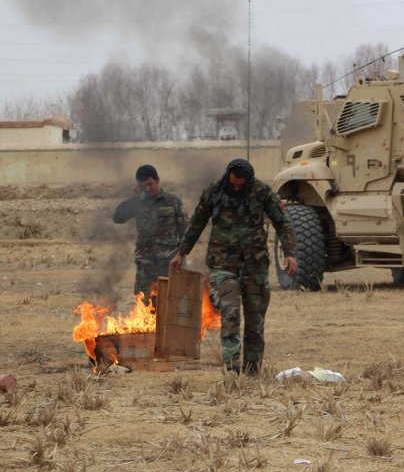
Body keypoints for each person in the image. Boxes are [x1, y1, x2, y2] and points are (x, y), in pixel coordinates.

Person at [170, 159, 297, 376]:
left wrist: (290, 253)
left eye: (241, 185)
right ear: (227, 177)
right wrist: (182, 252)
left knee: (255, 319)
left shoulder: (262, 192)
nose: (236, 188)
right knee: (230, 313)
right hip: (222, 264)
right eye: (233, 184)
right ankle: (232, 366)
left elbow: (283, 223)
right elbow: (197, 223)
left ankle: (252, 370)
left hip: (254, 265)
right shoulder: (213, 192)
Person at [112, 164, 185, 302]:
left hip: (169, 262)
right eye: (143, 185)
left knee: (171, 303)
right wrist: (134, 197)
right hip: (145, 264)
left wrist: (182, 256)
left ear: (157, 180)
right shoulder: (138, 202)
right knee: (144, 306)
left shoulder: (173, 202)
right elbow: (118, 217)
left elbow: (184, 231)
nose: (148, 188)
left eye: (150, 184)